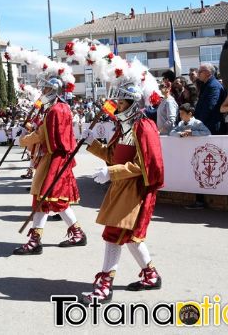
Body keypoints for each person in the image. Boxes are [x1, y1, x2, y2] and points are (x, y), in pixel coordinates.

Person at [80, 80, 165, 304]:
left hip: (134, 190)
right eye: (116, 101)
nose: (116, 106)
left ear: (132, 104)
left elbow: (144, 166)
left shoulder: (144, 126)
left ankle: (104, 287)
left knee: (113, 236)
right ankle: (150, 275)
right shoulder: (123, 127)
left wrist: (112, 173)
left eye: (120, 102)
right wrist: (93, 144)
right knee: (128, 237)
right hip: (121, 187)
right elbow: (112, 156)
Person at [14, 77, 85, 255]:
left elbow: (42, 134)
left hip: (55, 158)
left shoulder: (56, 110)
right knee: (48, 199)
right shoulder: (56, 108)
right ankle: (74, 233)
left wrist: (23, 139)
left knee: (47, 198)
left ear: (52, 90)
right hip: (52, 157)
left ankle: (36, 240)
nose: (42, 92)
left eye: (45, 89)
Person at [194, 63, 226, 135]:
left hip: (211, 126)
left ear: (208, 72)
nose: (198, 74)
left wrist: (198, 123)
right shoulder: (206, 85)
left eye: (200, 72)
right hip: (205, 125)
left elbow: (210, 106)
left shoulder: (213, 86)